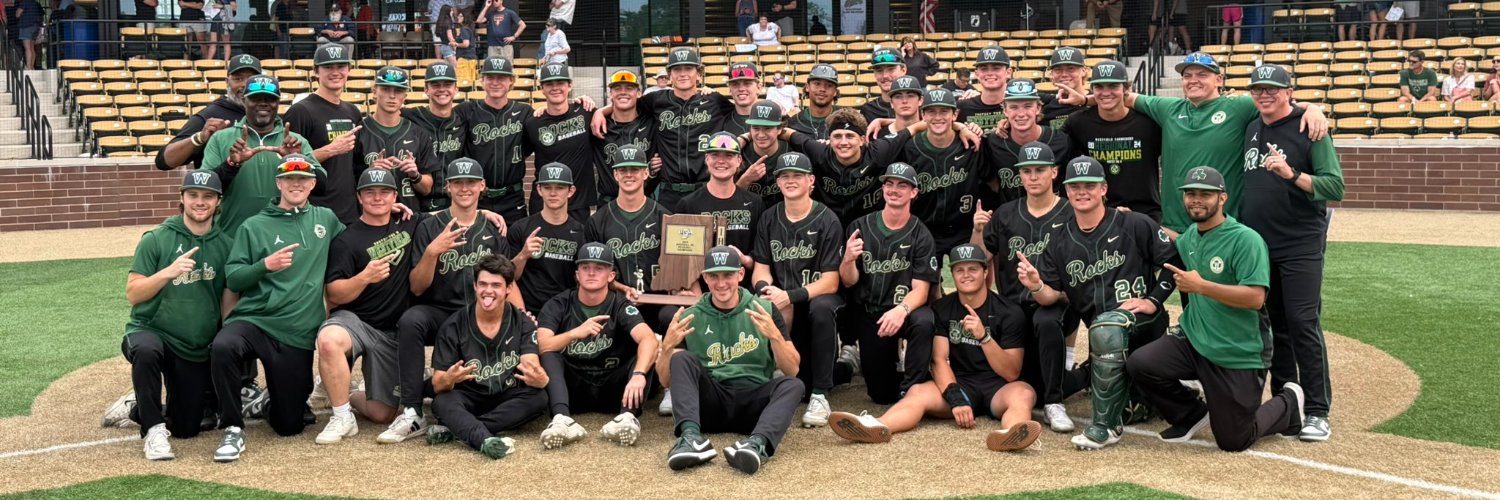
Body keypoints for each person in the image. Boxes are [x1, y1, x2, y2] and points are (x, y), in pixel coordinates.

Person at [1060, 51, 1328, 240]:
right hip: (1176, 225)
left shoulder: (1239, 106)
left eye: (1203, 74)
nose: (1194, 80)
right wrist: (1086, 99)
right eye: (1188, 75)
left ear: (1219, 80)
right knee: (1187, 289)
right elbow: (1121, 96)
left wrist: (1311, 108)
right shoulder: (1168, 108)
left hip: (1222, 222)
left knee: (1226, 296)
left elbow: (1275, 102)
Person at [1129, 166, 1307, 452]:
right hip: (1194, 341)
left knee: (1234, 439)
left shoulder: (1245, 240)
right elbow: (1177, 239)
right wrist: (1132, 220)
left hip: (1237, 351)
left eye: (1205, 194)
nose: (1196, 200)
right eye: (1190, 194)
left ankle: (1288, 402)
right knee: (1141, 363)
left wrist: (1202, 286)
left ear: (1222, 198)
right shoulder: (1192, 236)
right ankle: (1190, 414)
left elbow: (1255, 298)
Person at [1015, 156, 1181, 450]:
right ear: (1066, 191)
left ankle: (1105, 427)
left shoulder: (1134, 223)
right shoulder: (1060, 240)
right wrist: (1036, 285)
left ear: (1104, 189)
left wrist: (1153, 301)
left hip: (1143, 327)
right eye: (1075, 186)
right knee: (1135, 407)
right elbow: (1052, 297)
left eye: (1089, 185)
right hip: (1103, 339)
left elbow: (1174, 264)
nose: (1082, 192)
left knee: (1108, 329)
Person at [828, 244, 1042, 452]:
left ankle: (1010, 434)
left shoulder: (1009, 312)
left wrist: (984, 337)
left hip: (998, 387)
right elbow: (939, 360)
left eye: (973, 269)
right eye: (959, 270)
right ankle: (876, 426)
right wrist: (956, 398)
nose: (966, 275)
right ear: (952, 274)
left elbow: (1011, 371)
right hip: (960, 382)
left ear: (986, 272)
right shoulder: (942, 308)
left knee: (1024, 393)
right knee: (917, 391)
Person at [210, 153, 343, 462]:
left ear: (312, 183)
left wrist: (392, 212)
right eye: (288, 179)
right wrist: (264, 266)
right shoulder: (254, 225)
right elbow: (234, 276)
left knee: (289, 426)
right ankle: (232, 426)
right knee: (224, 345)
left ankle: (265, 403)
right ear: (279, 183)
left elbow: (355, 244)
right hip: (256, 320)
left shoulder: (326, 219)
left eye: (302, 179)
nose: (295, 184)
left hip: (296, 331)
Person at [1238, 64, 1345, 442]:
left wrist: (1292, 175)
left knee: (1302, 323)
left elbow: (1335, 186)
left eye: (1272, 89)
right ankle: (1288, 406)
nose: (1264, 95)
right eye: (1257, 89)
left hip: (1300, 242)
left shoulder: (1309, 127)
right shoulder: (1252, 126)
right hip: (1260, 243)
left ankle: (1318, 409)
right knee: (1273, 325)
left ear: (1289, 92)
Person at [390, 158, 514, 444]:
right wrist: (432, 252)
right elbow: (417, 288)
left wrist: (520, 313)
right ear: (448, 187)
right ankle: (411, 409)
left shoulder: (494, 227)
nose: (464, 188)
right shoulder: (430, 225)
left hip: (479, 315)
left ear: (482, 186)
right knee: (411, 320)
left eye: (471, 182)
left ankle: (429, 393)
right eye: (458, 183)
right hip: (441, 310)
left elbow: (507, 280)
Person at [121, 171, 235, 460]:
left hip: (193, 343)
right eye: (193, 195)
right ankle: (153, 430)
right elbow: (133, 293)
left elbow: (227, 297)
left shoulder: (227, 243)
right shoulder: (157, 238)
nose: (200, 202)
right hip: (152, 329)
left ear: (218, 201)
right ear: (182, 198)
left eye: (207, 196)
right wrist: (167, 272)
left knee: (186, 427)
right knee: (146, 351)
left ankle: (138, 408)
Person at [660, 246, 804, 475]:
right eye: (714, 276)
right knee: (681, 359)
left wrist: (775, 335)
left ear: (740, 274)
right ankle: (690, 438)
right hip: (711, 403)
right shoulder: (690, 316)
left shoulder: (764, 309)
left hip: (753, 403)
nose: (721, 283)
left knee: (794, 385)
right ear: (705, 277)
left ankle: (756, 444)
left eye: (728, 275)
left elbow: (793, 370)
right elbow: (666, 381)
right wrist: (667, 348)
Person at [971, 142, 1079, 433]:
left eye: (1040, 170)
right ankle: (1082, 378)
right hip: (1013, 311)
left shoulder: (1071, 212)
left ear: (1054, 173)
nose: (1033, 177)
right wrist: (978, 230)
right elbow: (977, 259)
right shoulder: (1006, 213)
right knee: (1027, 384)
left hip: (1057, 306)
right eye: (1027, 171)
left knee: (1046, 321)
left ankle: (1055, 404)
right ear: (1019, 176)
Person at [312, 169, 422, 444]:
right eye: (370, 192)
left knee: (381, 413)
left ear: (395, 196)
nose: (377, 198)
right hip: (356, 322)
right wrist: (364, 278)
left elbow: (450, 216)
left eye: (384, 191)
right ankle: (341, 416)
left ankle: (341, 390)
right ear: (359, 197)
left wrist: (486, 214)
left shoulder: (408, 223)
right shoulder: (347, 239)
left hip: (390, 332)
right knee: (328, 340)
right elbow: (334, 293)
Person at [535, 242, 661, 448]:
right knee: (550, 353)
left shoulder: (620, 305)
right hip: (574, 387)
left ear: (611, 275)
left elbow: (648, 339)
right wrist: (575, 333)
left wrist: (638, 375)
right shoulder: (559, 303)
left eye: (599, 268)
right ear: (577, 274)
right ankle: (561, 419)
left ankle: (626, 419)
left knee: (645, 354)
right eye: (585, 268)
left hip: (613, 386)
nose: (591, 273)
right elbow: (541, 344)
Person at [751, 152, 844, 428]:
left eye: (797, 176)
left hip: (816, 299)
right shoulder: (769, 218)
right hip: (785, 304)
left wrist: (789, 295)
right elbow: (761, 269)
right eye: (785, 176)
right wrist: (765, 289)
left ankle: (821, 394)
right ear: (777, 183)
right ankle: (764, 379)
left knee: (822, 308)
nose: (791, 181)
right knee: (760, 303)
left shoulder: (827, 219)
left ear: (811, 181)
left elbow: (831, 281)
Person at [425, 255, 551, 459]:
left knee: (538, 397)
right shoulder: (453, 325)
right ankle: (482, 438)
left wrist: (541, 380)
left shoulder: (523, 322)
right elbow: (438, 384)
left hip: (506, 393)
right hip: (469, 395)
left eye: (496, 285)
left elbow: (531, 366)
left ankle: (460, 429)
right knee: (442, 402)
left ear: (509, 288)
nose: (488, 291)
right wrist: (450, 379)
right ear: (475, 285)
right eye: (483, 284)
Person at [837, 162, 939, 404]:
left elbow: (921, 291)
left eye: (902, 185)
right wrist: (848, 259)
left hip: (904, 310)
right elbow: (848, 281)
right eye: (889, 184)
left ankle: (913, 388)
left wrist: (901, 310)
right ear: (882, 189)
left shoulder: (920, 233)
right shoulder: (859, 227)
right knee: (881, 394)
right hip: (872, 313)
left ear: (914, 192)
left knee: (924, 320)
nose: (894, 189)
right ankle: (896, 374)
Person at [591, 47, 733, 211]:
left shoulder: (714, 101)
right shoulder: (656, 100)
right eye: (677, 69)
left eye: (688, 68)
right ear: (669, 75)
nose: (682, 73)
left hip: (705, 188)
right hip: (668, 192)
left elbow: (740, 113)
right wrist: (600, 112)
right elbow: (626, 101)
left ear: (699, 74)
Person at [199, 74, 319, 234]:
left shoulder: (295, 141)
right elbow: (205, 189)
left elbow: (321, 186)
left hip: (287, 235)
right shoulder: (221, 138)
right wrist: (231, 164)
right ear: (244, 100)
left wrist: (296, 160)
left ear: (278, 103)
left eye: (270, 99)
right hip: (232, 236)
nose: (263, 103)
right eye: (256, 98)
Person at [585, 144, 675, 327]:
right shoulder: (598, 221)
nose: (628, 174)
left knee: (672, 317)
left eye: (634, 169)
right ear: (615, 175)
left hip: (659, 302)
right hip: (616, 303)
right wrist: (621, 288)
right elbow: (590, 272)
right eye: (623, 170)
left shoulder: (664, 216)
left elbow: (677, 263)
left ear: (645, 173)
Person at [1062, 60, 1164, 220]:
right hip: (1098, 213)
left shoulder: (1149, 123)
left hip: (1146, 213)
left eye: (1113, 86)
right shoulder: (1078, 123)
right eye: (1099, 87)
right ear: (1092, 90)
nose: (1106, 92)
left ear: (1126, 89)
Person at [899, 88, 988, 258]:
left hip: (965, 226)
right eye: (931, 111)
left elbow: (990, 180)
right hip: (925, 226)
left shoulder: (971, 144)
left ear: (955, 115)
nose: (938, 117)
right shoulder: (910, 147)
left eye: (944, 111)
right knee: (928, 282)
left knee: (973, 276)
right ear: (923, 115)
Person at [284, 44, 365, 224]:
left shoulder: (352, 112)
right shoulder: (301, 111)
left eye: (340, 67)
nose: (335, 72)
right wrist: (330, 150)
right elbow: (289, 165)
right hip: (313, 211)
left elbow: (356, 165)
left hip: (349, 212)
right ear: (316, 72)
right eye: (328, 67)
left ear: (349, 70)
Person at [675, 132, 765, 277]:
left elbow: (763, 257)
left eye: (728, 156)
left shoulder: (754, 202)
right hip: (703, 287)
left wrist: (745, 259)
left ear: (739, 160)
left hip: (744, 287)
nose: (721, 161)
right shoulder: (688, 204)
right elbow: (680, 260)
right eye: (715, 155)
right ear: (706, 159)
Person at [457, 57, 532, 222]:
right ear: (482, 81)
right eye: (490, 77)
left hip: (513, 198)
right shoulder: (466, 111)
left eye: (502, 78)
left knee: (514, 245)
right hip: (476, 197)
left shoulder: (525, 112)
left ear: (511, 81)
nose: (495, 82)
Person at [154, 55, 259, 173]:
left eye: (251, 79)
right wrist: (199, 138)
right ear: (227, 82)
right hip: (218, 189)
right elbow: (164, 161)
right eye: (238, 79)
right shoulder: (210, 115)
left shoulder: (269, 114)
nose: (244, 84)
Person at [508, 163, 589, 313]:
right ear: (539, 190)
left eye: (559, 188)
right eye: (547, 187)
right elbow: (509, 278)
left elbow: (584, 280)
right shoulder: (520, 228)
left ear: (571, 191)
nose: (553, 193)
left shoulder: (581, 233)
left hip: (565, 311)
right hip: (529, 312)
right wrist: (523, 255)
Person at [523, 63, 598, 220]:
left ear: (570, 86)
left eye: (560, 83)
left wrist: (600, 111)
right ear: (542, 88)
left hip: (578, 204)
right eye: (549, 83)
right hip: (544, 205)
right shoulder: (533, 123)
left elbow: (621, 107)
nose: (555, 88)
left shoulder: (586, 112)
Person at [982, 78, 1072, 208]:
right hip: (1010, 220)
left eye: (1028, 106)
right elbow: (991, 182)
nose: (1021, 114)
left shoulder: (1061, 141)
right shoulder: (993, 142)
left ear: (1038, 108)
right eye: (1014, 107)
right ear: (1005, 110)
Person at [403, 61, 468, 212]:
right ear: (426, 89)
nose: (442, 89)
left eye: (447, 84)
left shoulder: (464, 119)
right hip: (418, 201)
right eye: (436, 85)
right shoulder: (411, 116)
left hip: (453, 203)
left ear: (456, 89)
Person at [594, 70, 655, 203]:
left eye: (629, 88)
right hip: (608, 202)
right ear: (610, 94)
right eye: (617, 88)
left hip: (645, 202)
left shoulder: (651, 122)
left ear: (638, 93)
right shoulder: (597, 126)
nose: (623, 92)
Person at [736, 99, 792, 206]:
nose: (761, 135)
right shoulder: (739, 153)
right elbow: (725, 199)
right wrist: (745, 180)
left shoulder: (792, 151)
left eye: (767, 128)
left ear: (779, 129)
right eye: (756, 128)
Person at [956, 46, 1013, 130]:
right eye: (984, 69)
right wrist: (959, 127)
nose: (989, 73)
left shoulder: (1020, 105)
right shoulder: (962, 107)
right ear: (977, 74)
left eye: (996, 68)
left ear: (1008, 73)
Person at [787, 64, 842, 140]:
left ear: (835, 91)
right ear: (807, 87)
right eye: (817, 84)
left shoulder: (846, 119)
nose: (822, 89)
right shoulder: (794, 123)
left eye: (829, 85)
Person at [1041, 48, 1089, 130]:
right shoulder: (1047, 109)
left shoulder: (1097, 102)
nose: (1064, 74)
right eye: (1058, 69)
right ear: (1052, 74)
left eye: (1071, 68)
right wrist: (1054, 97)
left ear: (1083, 71)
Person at [718, 62, 768, 137]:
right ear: (730, 90)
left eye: (747, 83)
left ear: (759, 88)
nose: (741, 89)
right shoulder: (721, 122)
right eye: (735, 84)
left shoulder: (774, 117)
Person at [859, 47, 907, 123]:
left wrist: (883, 122)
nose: (885, 75)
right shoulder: (868, 110)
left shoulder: (918, 105)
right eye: (879, 70)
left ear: (903, 69)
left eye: (891, 69)